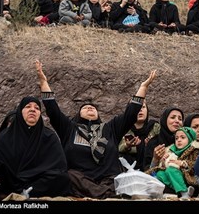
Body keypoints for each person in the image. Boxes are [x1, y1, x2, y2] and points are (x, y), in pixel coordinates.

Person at [35, 59, 157, 199]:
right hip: (79, 180)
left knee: (121, 179)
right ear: (78, 115)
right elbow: (53, 110)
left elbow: (131, 113)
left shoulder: (110, 128)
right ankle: (101, 194)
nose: (90, 108)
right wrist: (44, 83)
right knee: (66, 175)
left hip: (108, 180)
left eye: (93, 107)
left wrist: (143, 87)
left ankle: (96, 193)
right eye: (85, 108)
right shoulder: (69, 128)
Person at [0, 96, 71, 200]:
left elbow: (59, 166)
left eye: (37, 108)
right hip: (11, 180)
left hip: (37, 181)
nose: (33, 109)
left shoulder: (49, 136)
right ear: (20, 111)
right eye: (28, 106)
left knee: (62, 178)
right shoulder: (6, 136)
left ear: (40, 114)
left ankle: (27, 192)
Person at [147, 127, 197, 199]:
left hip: (187, 177)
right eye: (176, 138)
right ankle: (179, 191)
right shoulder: (171, 150)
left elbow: (196, 165)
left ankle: (185, 192)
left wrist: (182, 163)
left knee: (171, 170)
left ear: (190, 139)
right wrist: (164, 162)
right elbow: (165, 166)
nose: (179, 140)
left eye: (182, 138)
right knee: (160, 174)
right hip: (173, 176)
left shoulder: (194, 150)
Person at [118, 100, 160, 171]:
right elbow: (115, 148)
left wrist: (150, 145)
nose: (140, 110)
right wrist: (127, 146)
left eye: (143, 107)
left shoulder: (155, 128)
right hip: (127, 169)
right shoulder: (122, 129)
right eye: (137, 108)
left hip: (150, 168)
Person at [143, 107, 184, 171]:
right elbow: (146, 171)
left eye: (180, 119)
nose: (177, 121)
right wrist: (155, 159)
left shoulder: (186, 142)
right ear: (165, 120)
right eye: (173, 117)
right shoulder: (154, 142)